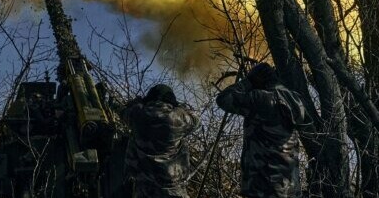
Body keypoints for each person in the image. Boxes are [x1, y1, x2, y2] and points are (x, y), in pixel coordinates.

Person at [216, 63, 306, 198]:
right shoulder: (294, 99)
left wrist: (248, 82)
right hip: (290, 188)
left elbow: (224, 99)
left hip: (263, 186)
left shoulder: (261, 98)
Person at [122, 84, 199, 198]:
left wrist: (137, 102)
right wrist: (180, 107)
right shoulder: (178, 117)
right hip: (174, 191)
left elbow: (123, 111)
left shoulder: (137, 114)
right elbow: (196, 120)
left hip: (144, 191)